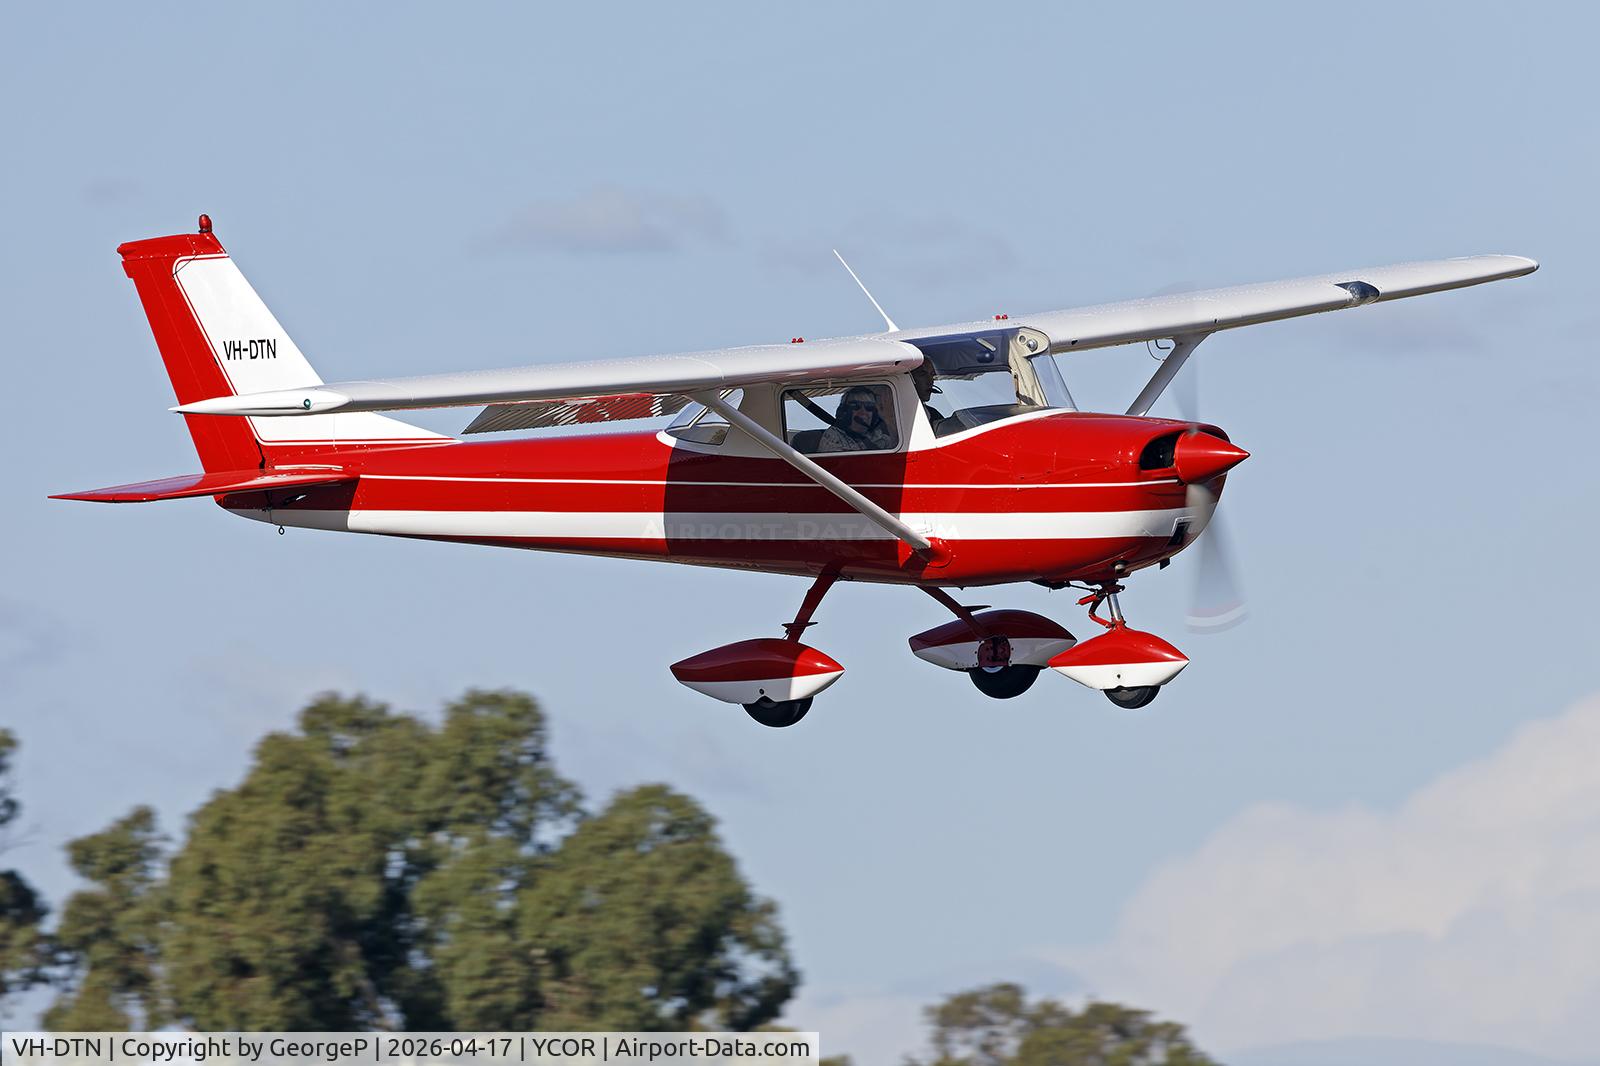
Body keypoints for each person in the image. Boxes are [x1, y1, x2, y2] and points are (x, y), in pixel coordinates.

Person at [817, 386, 895, 452]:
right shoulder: (833, 436)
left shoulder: (880, 437)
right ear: (844, 412)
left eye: (869, 407)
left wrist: (888, 420)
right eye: (855, 406)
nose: (863, 412)